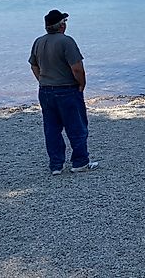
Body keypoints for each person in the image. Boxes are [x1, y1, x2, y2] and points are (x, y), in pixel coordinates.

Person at [29, 9, 98, 175]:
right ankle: (80, 162)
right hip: (66, 89)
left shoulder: (38, 41)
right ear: (61, 26)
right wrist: (81, 84)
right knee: (77, 127)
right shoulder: (66, 42)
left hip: (45, 90)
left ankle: (56, 165)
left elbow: (34, 65)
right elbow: (77, 68)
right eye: (64, 22)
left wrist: (42, 80)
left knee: (52, 129)